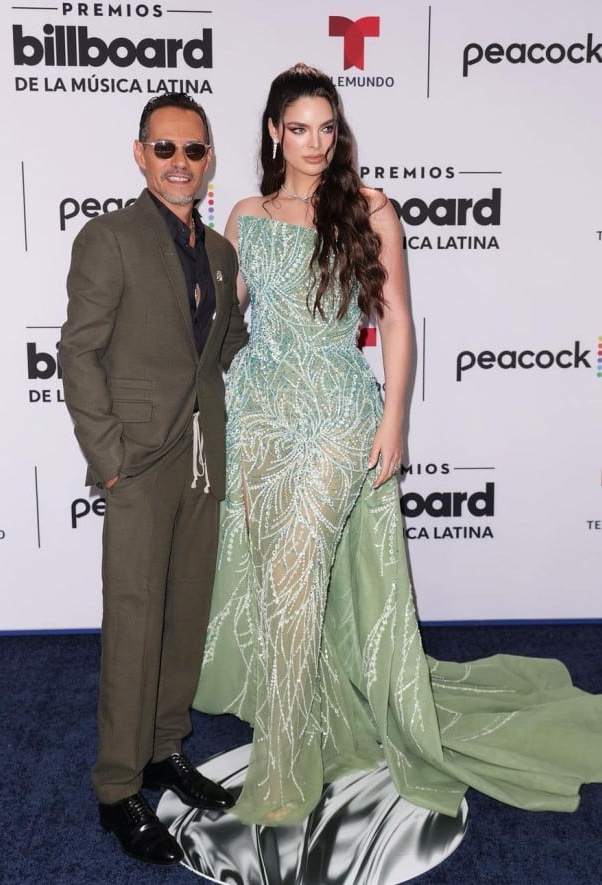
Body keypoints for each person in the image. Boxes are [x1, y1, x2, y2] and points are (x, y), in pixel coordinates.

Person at [193, 64, 602, 827]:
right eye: (299, 127)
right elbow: (223, 317)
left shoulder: (371, 209)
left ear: (337, 132)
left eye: (327, 127)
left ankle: (284, 768)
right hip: (258, 413)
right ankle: (301, 709)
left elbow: (400, 320)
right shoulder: (245, 213)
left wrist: (395, 422)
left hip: (335, 412)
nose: (315, 142)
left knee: (292, 578)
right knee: (272, 578)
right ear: (274, 133)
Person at [59, 92, 248, 864]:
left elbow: (223, 343)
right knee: (135, 618)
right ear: (140, 155)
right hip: (136, 460)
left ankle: (166, 746)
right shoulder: (108, 237)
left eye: (193, 151)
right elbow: (79, 352)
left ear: (209, 161)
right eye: (165, 149)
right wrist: (109, 456)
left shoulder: (222, 252)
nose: (180, 163)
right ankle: (116, 785)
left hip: (203, 454)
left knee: (185, 609)